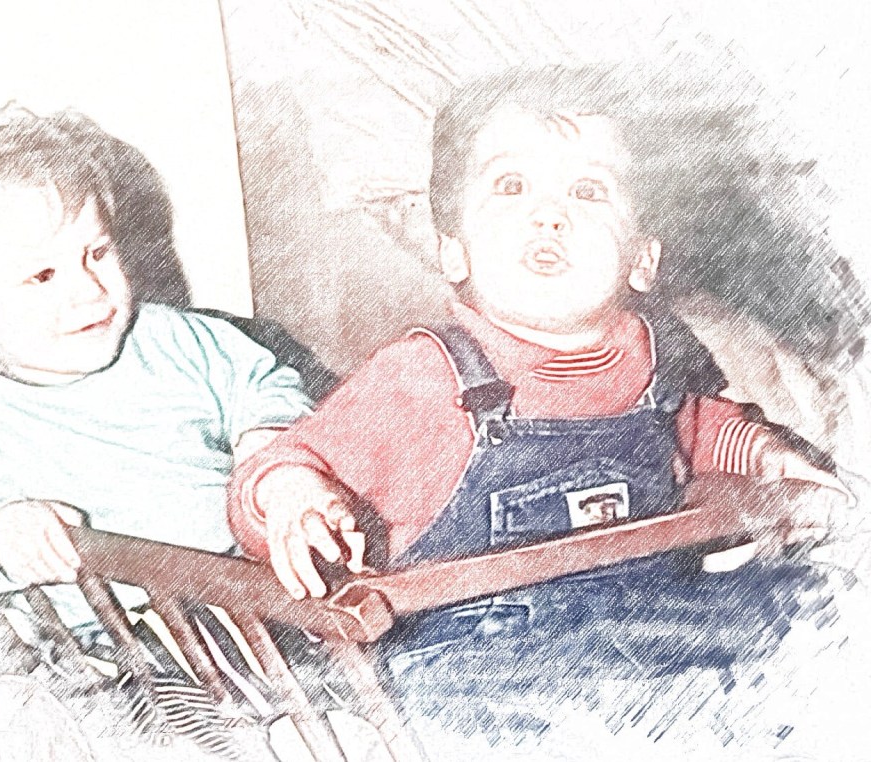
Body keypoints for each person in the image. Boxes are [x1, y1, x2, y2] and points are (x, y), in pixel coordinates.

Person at [227, 66, 852, 741]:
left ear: (641, 260)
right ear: (454, 252)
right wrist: (294, 497)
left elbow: (698, 424)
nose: (550, 214)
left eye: (587, 190)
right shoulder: (425, 375)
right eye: (511, 185)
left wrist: (764, 454)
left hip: (657, 614)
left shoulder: (654, 356)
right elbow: (287, 459)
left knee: (819, 602)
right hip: (483, 661)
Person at [0, 103, 312, 642]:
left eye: (97, 252)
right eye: (43, 275)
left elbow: (262, 379)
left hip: (271, 587)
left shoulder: (174, 338)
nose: (90, 288)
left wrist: (271, 449)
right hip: (134, 643)